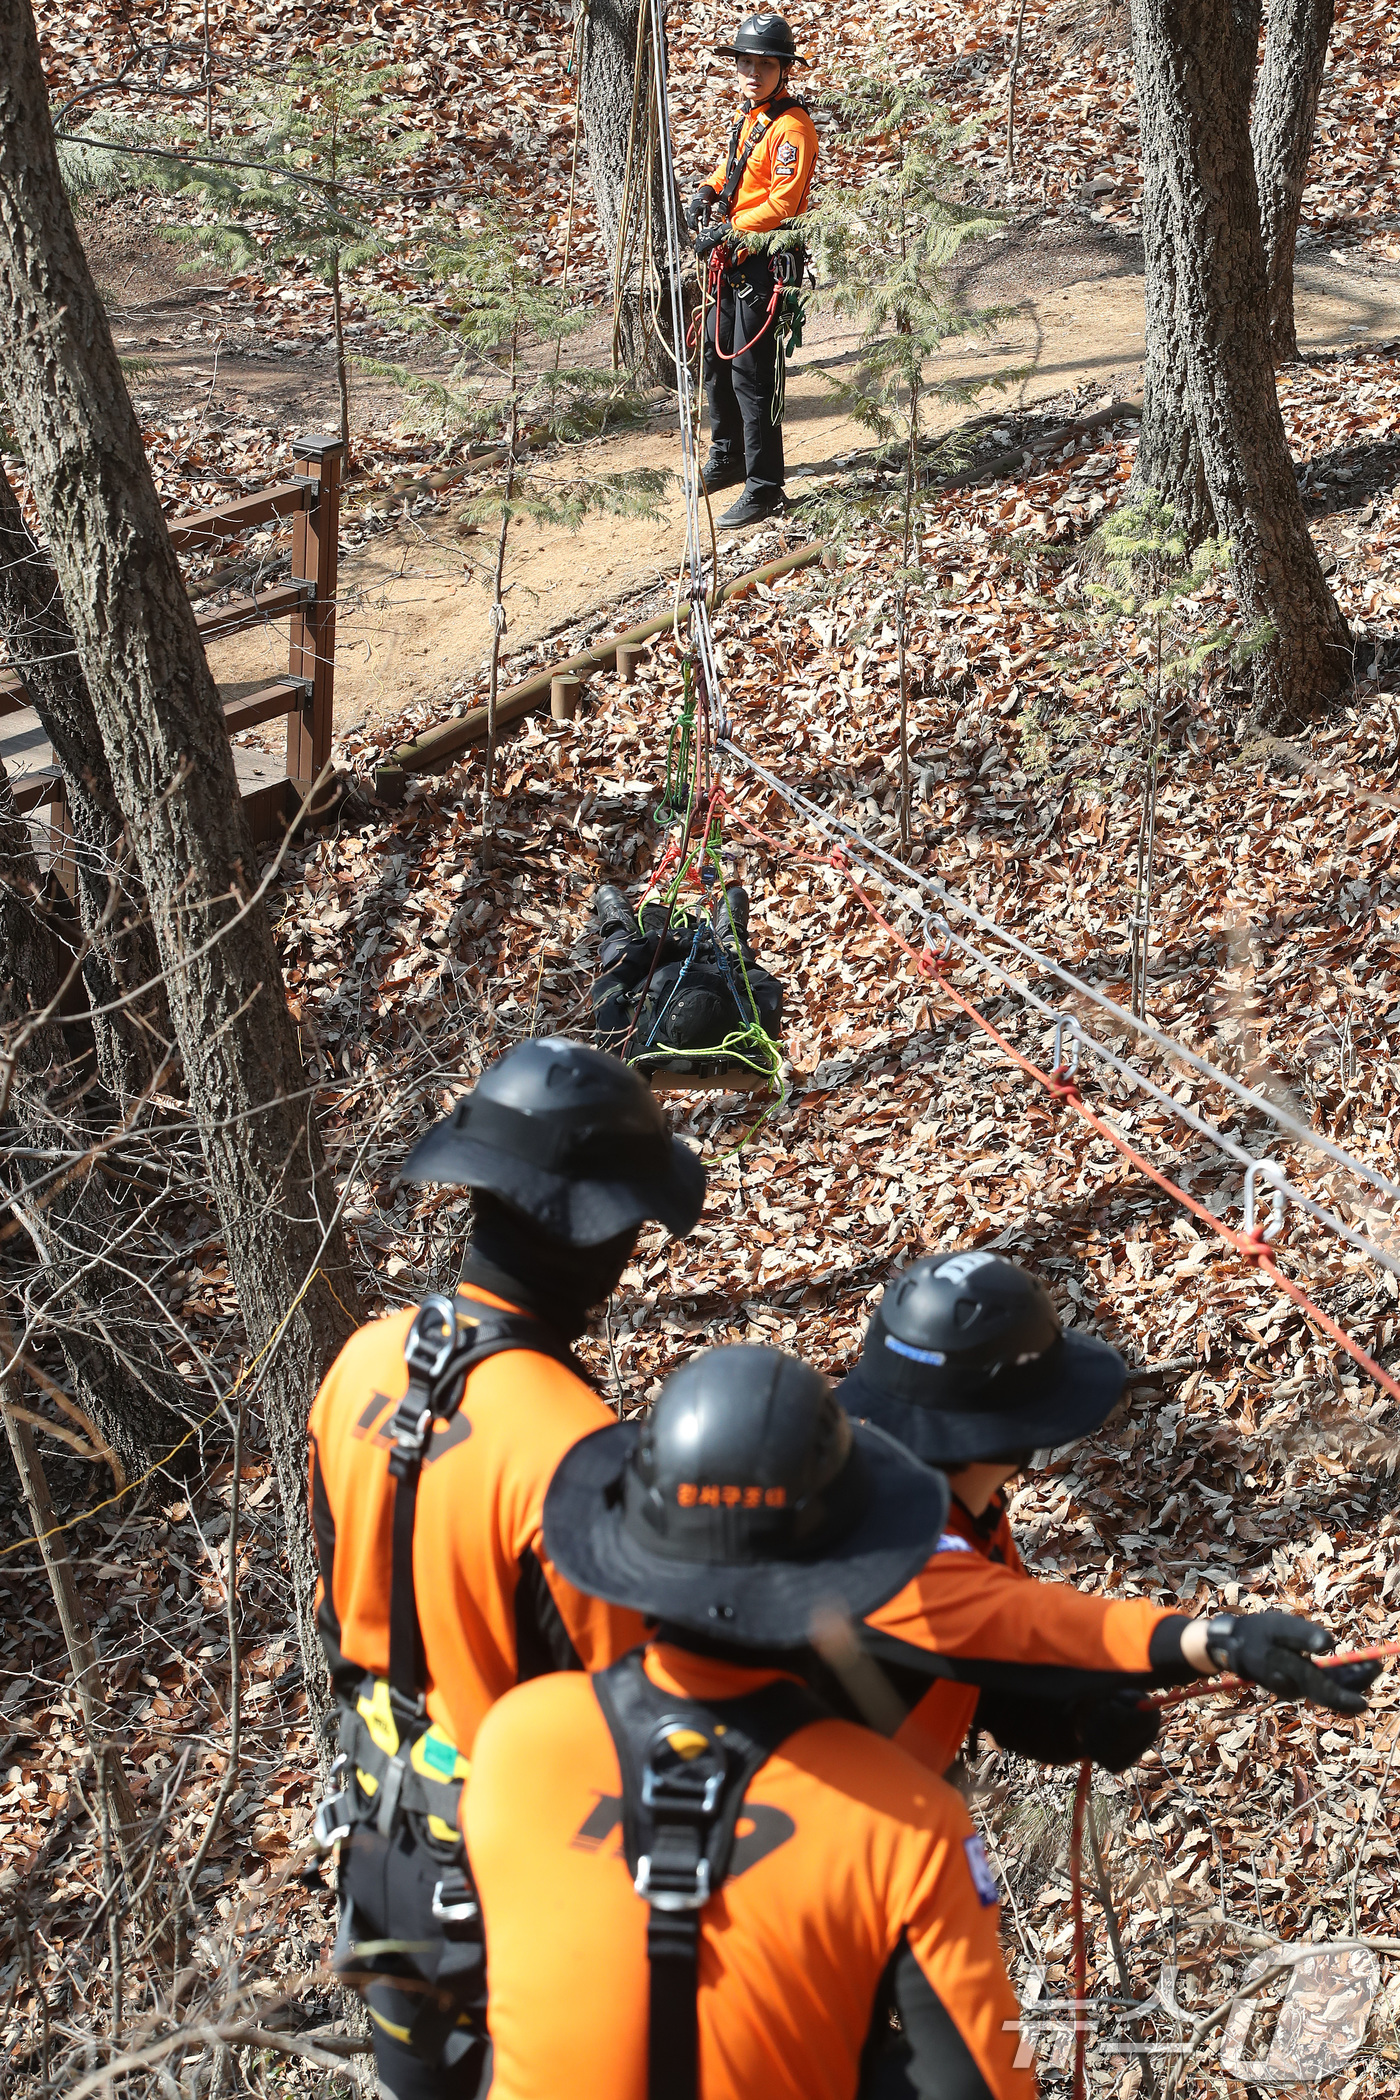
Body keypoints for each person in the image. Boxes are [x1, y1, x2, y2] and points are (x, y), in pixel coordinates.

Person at [464, 1344, 1039, 2100]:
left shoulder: (514, 1742)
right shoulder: (908, 1821)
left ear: (634, 1545)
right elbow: (990, 2083)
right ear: (848, 1561)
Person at [305, 1038, 705, 2100]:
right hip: (512, 1867)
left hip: (378, 1828)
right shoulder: (576, 1450)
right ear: (600, 1234)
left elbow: (336, 1582)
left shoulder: (364, 1360)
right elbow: (632, 1721)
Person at [834, 1251, 1379, 1779]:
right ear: (1001, 1425)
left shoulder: (950, 1493)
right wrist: (1213, 1642)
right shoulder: (866, 1535)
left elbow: (981, 1654)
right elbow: (1014, 1620)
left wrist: (1066, 1716)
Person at [686, 13, 819, 530]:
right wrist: (709, 188)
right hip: (734, 256)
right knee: (716, 363)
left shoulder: (793, 127)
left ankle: (765, 486)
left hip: (762, 261)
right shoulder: (753, 118)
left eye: (765, 64)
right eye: (745, 62)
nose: (753, 72)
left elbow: (784, 201)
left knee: (752, 376)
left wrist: (731, 229)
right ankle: (729, 457)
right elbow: (738, 168)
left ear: (783, 69)